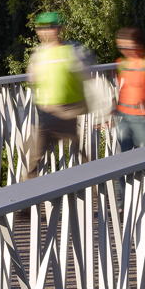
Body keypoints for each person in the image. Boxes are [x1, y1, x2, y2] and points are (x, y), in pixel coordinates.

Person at [25, 11, 90, 177]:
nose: (45, 31)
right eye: (41, 28)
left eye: (50, 27)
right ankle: (25, 200)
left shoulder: (73, 50)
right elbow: (33, 79)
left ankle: (97, 190)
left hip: (69, 112)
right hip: (47, 114)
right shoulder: (39, 53)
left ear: (59, 29)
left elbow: (88, 78)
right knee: (34, 159)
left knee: (80, 154)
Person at [115, 27, 145, 152]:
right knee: (125, 155)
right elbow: (123, 88)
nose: (125, 51)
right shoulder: (122, 63)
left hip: (143, 117)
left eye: (128, 47)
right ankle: (130, 173)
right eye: (121, 48)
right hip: (124, 115)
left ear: (138, 45)